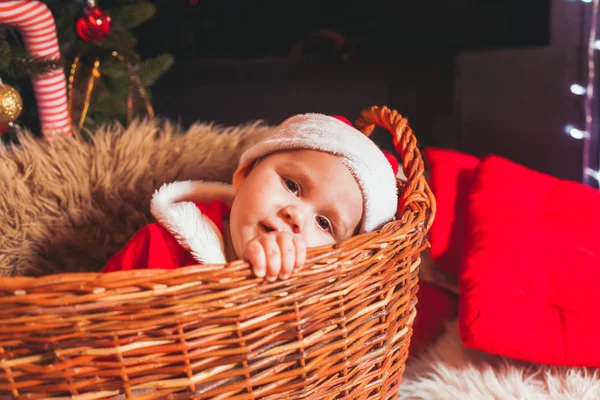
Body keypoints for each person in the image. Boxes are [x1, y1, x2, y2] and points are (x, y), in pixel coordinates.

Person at [103, 113, 401, 281]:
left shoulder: (319, 300)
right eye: (292, 186)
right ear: (245, 174)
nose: (295, 215)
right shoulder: (158, 246)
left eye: (324, 223)